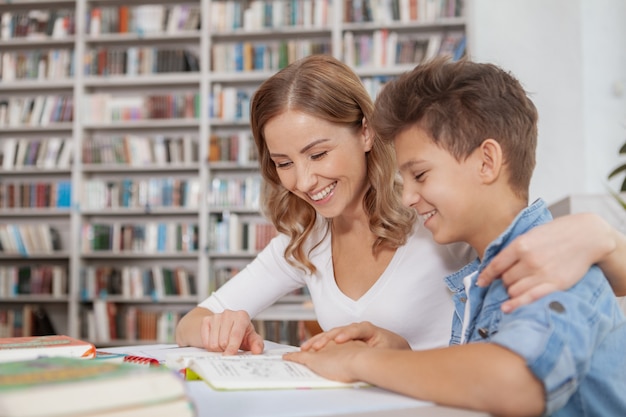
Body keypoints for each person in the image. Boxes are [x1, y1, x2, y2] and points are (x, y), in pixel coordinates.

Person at [175, 54, 626, 356]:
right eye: (283, 163)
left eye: (317, 154)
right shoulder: (306, 242)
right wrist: (223, 327)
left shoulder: (437, 211)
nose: (304, 180)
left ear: (367, 132)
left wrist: (602, 237)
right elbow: (191, 322)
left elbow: (570, 279)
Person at [284, 58, 626, 417]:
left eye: (420, 174)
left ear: (486, 162)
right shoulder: (483, 272)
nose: (407, 197)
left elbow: (516, 383)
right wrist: (398, 356)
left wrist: (359, 361)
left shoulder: (554, 261)